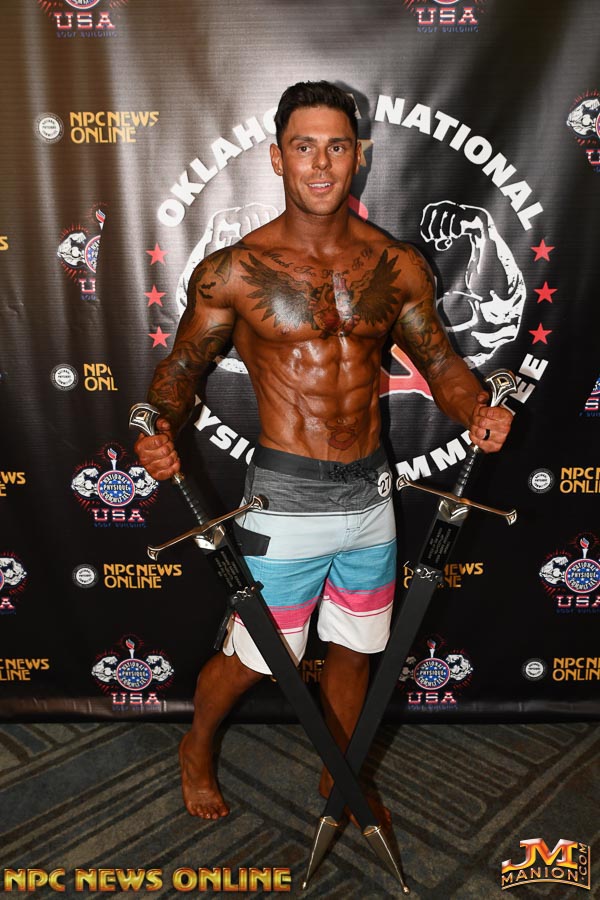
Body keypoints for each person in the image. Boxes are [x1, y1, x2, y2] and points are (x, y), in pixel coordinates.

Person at [134, 80, 513, 824]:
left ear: (357, 157)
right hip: (286, 497)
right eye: (303, 146)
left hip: (371, 495)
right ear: (277, 158)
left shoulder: (397, 265)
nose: (320, 163)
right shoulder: (234, 271)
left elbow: (440, 363)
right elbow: (181, 369)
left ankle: (338, 767)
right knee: (253, 656)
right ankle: (196, 746)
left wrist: (475, 409)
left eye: (336, 147)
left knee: (356, 649)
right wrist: (157, 426)